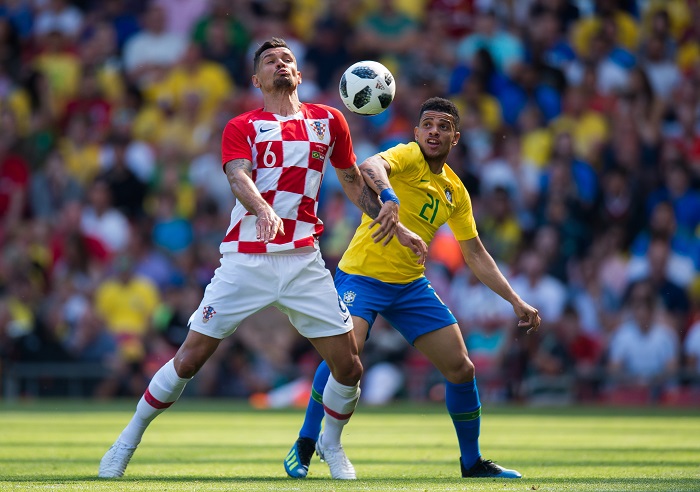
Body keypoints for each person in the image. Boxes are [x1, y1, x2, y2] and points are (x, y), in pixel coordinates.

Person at [98, 37, 425, 481]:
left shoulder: (329, 121)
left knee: (349, 366)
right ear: (257, 79)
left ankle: (330, 445)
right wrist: (263, 208)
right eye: (270, 60)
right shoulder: (242, 126)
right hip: (246, 260)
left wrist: (397, 225)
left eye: (287, 59)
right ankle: (126, 441)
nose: (281, 64)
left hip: (303, 263)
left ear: (300, 73)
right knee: (190, 359)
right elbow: (237, 175)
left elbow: (351, 181)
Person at [283, 97, 541, 480]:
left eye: (443, 126)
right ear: (416, 132)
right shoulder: (407, 156)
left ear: (456, 137)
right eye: (427, 124)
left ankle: (471, 462)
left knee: (460, 367)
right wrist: (389, 197)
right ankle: (306, 442)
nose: (434, 131)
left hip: (409, 286)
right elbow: (370, 166)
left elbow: (475, 254)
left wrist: (515, 300)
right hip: (361, 277)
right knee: (346, 357)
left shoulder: (455, 191)